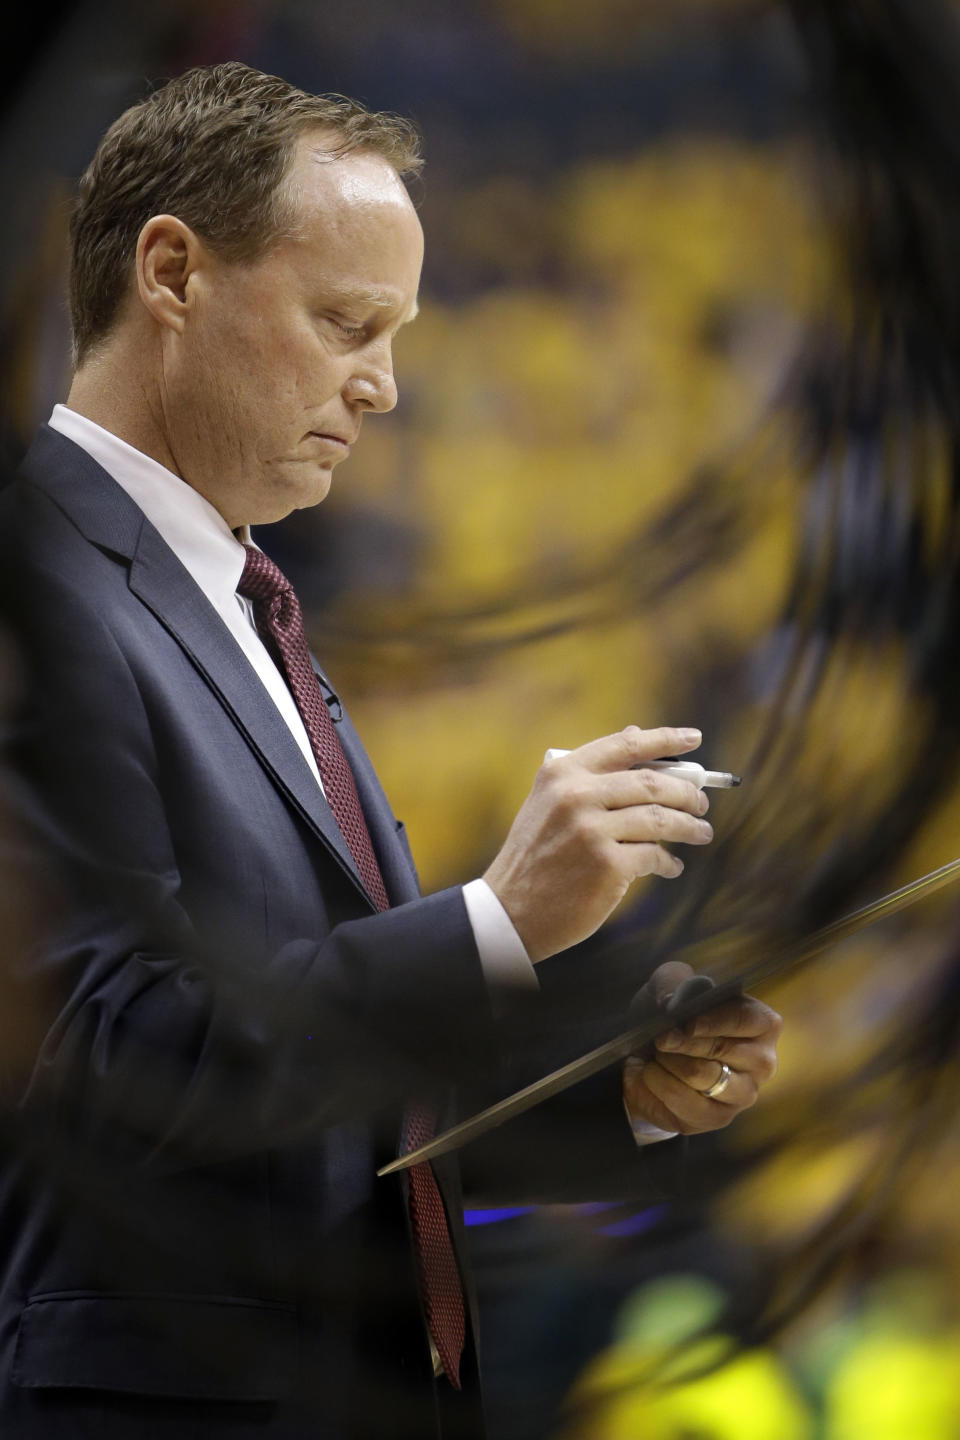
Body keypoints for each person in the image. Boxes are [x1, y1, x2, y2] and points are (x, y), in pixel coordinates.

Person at [0, 62, 781, 1440]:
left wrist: (609, 1083)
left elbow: (319, 1084)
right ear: (170, 271)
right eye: (349, 322)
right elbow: (105, 1059)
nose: (386, 388)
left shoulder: (238, 601)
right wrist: (491, 921)